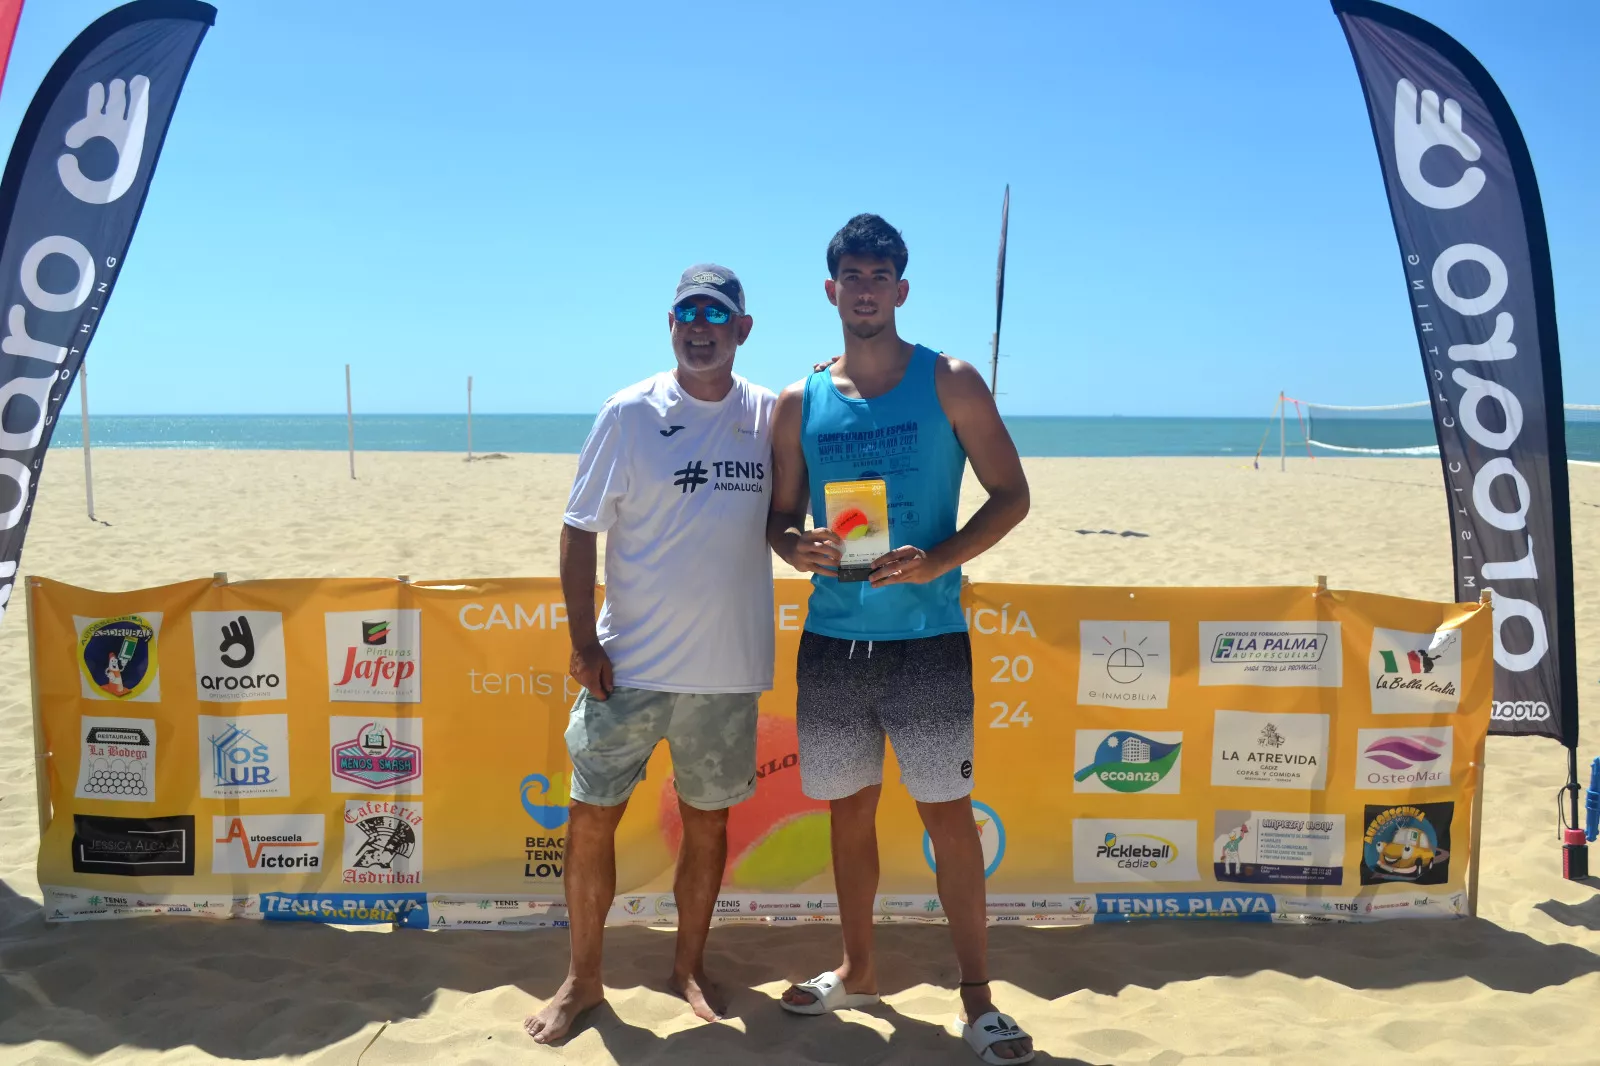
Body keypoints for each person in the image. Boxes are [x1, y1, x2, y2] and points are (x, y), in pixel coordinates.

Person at [766, 214, 1034, 1064]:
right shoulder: (798, 400)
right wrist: (793, 545)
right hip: (834, 640)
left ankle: (979, 999)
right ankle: (857, 968)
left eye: (882, 274)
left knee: (947, 820)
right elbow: (778, 520)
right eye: (854, 274)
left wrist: (938, 561)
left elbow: (1012, 494)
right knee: (848, 818)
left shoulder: (950, 379)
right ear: (832, 288)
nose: (868, 288)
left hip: (929, 640)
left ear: (902, 289)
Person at [526, 265, 775, 1044]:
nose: (699, 327)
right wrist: (580, 644)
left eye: (716, 314)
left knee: (708, 827)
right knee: (590, 818)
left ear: (742, 328)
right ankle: (583, 980)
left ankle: (688, 967)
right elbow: (577, 529)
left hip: (726, 674)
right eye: (685, 314)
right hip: (627, 668)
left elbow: (802, 499)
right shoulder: (629, 413)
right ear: (670, 325)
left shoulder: (772, 414)